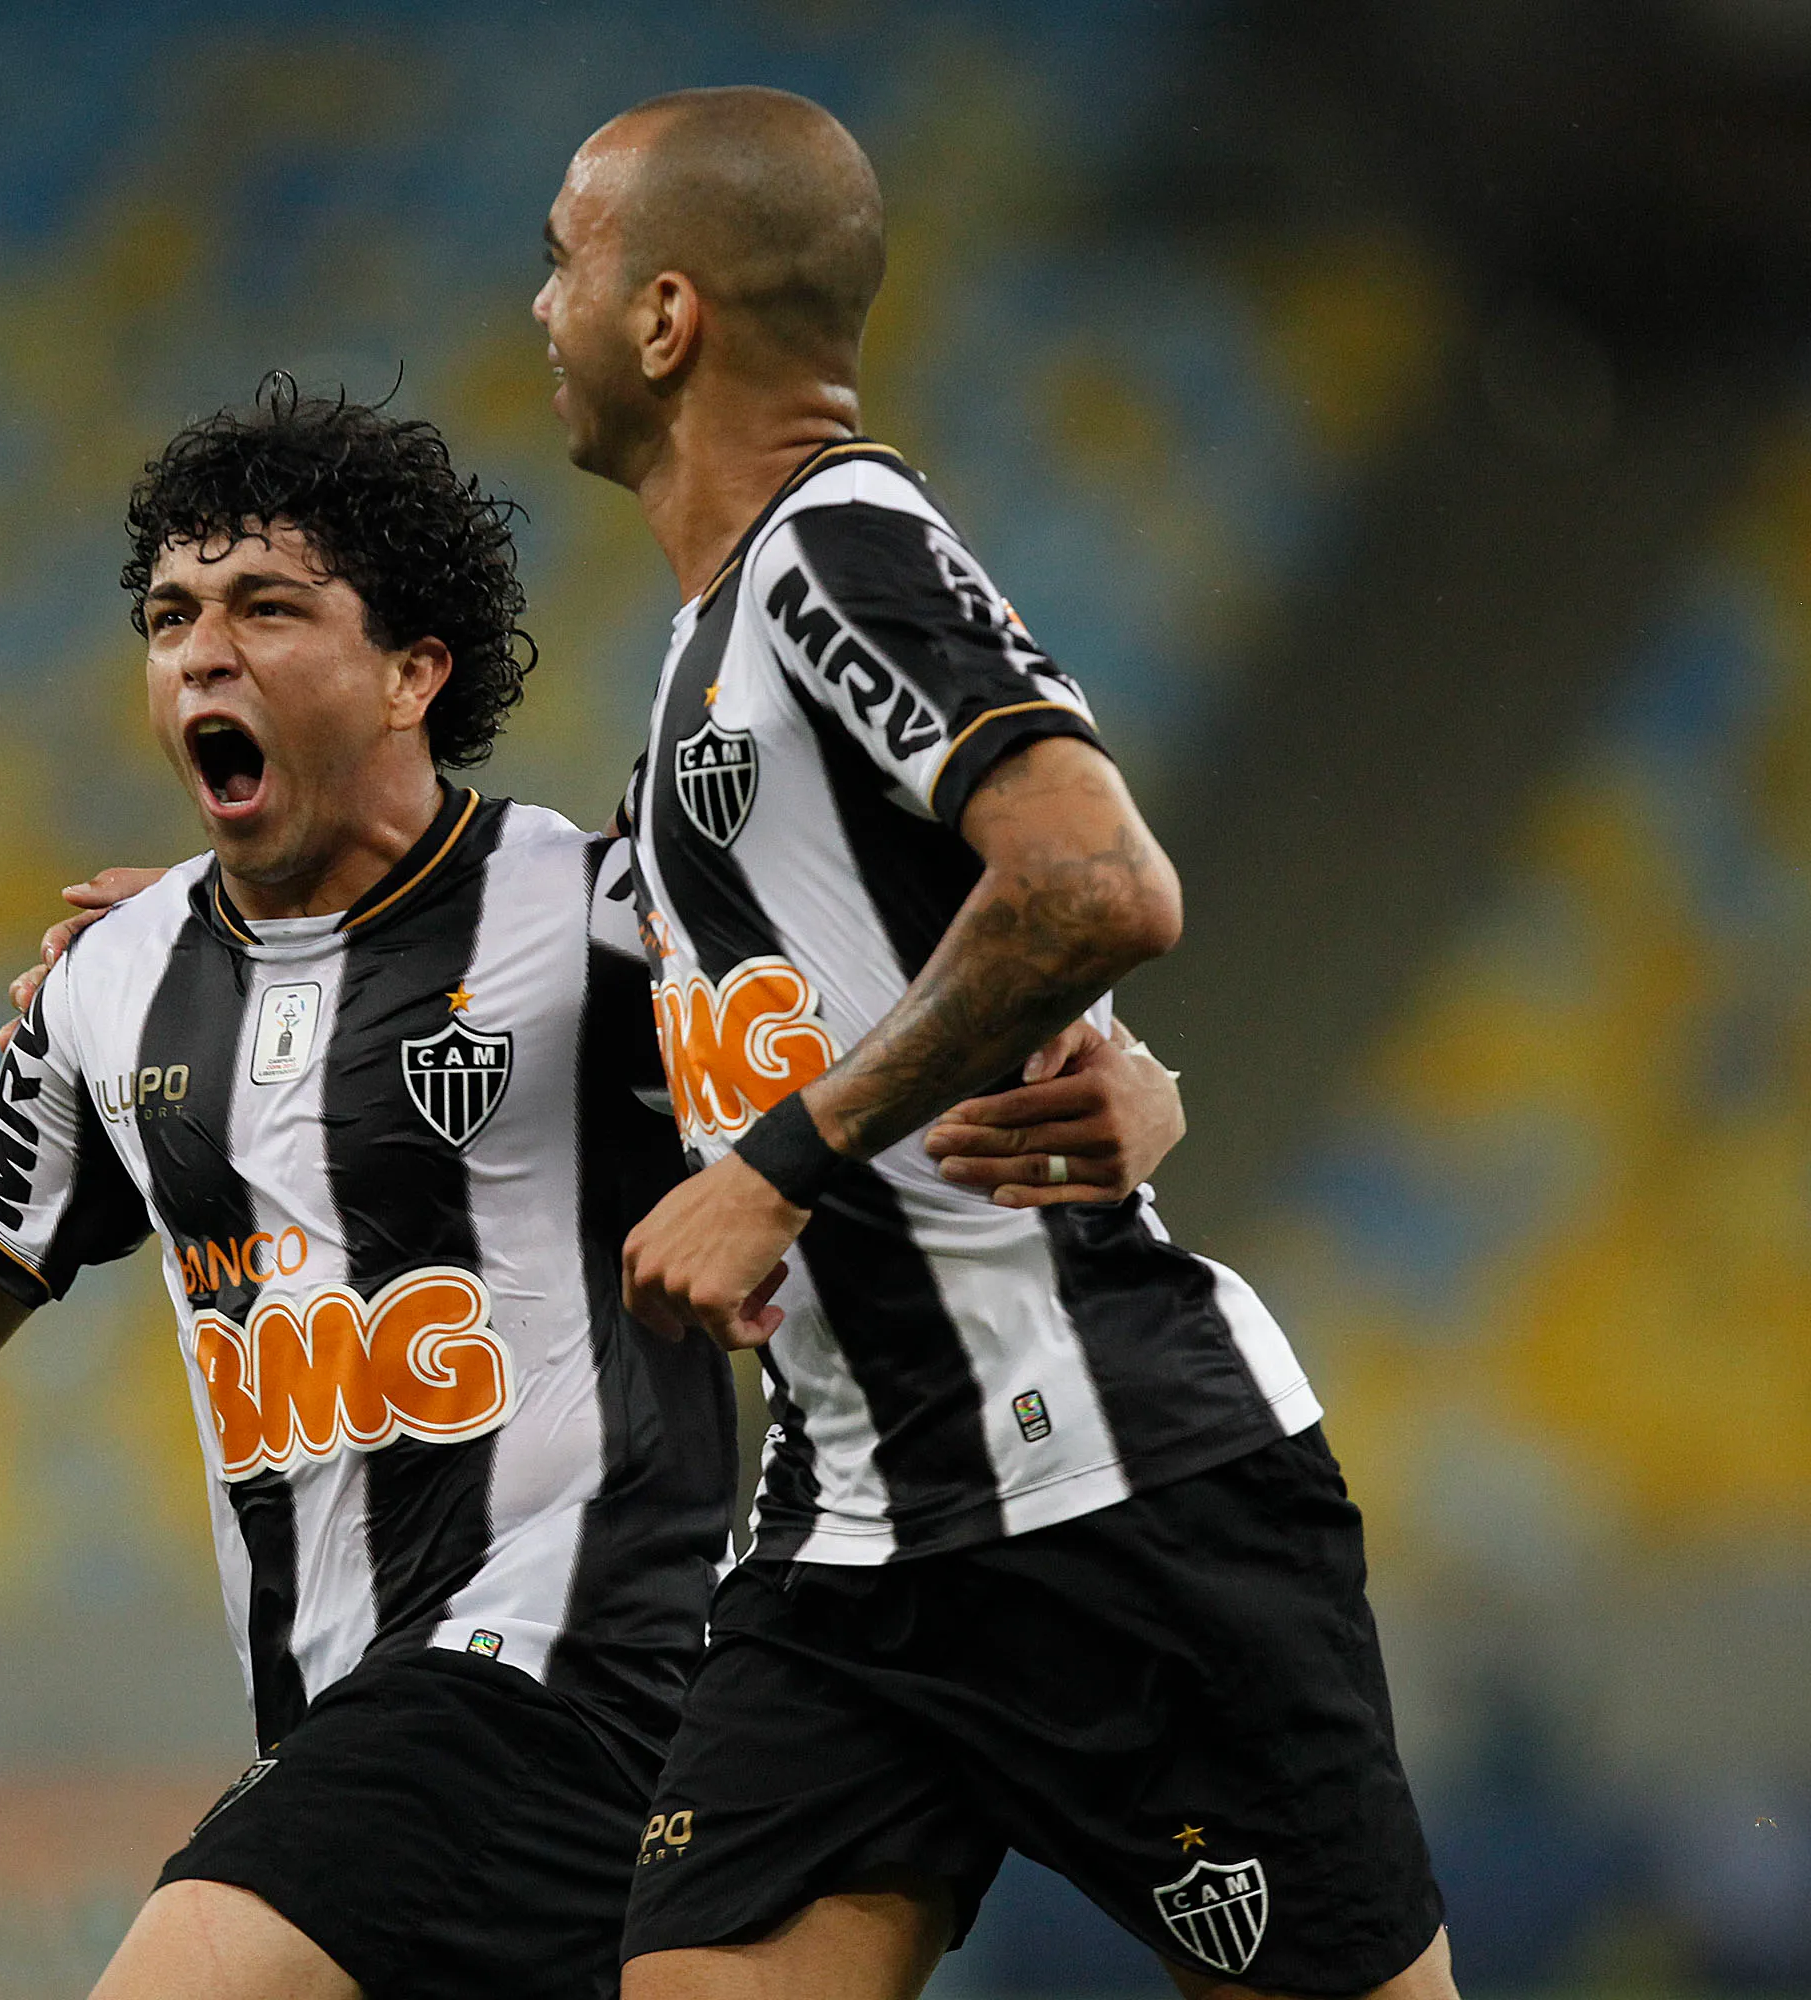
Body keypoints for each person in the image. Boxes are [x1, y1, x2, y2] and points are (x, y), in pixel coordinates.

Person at [0, 384, 1183, 2000]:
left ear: (412, 671)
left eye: (266, 607)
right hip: (356, 1722)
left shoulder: (597, 914)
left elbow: (880, 1013)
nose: (201, 651)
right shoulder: (112, 989)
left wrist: (1124, 1073)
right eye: (171, 615)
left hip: (570, 1664)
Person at [527, 87, 1451, 1999]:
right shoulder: (713, 642)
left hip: (1113, 1495)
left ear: (669, 314)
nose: (539, 303)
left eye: (566, 255)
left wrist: (773, 1169)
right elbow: (923, 949)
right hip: (854, 1538)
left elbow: (1095, 880)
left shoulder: (830, 547)